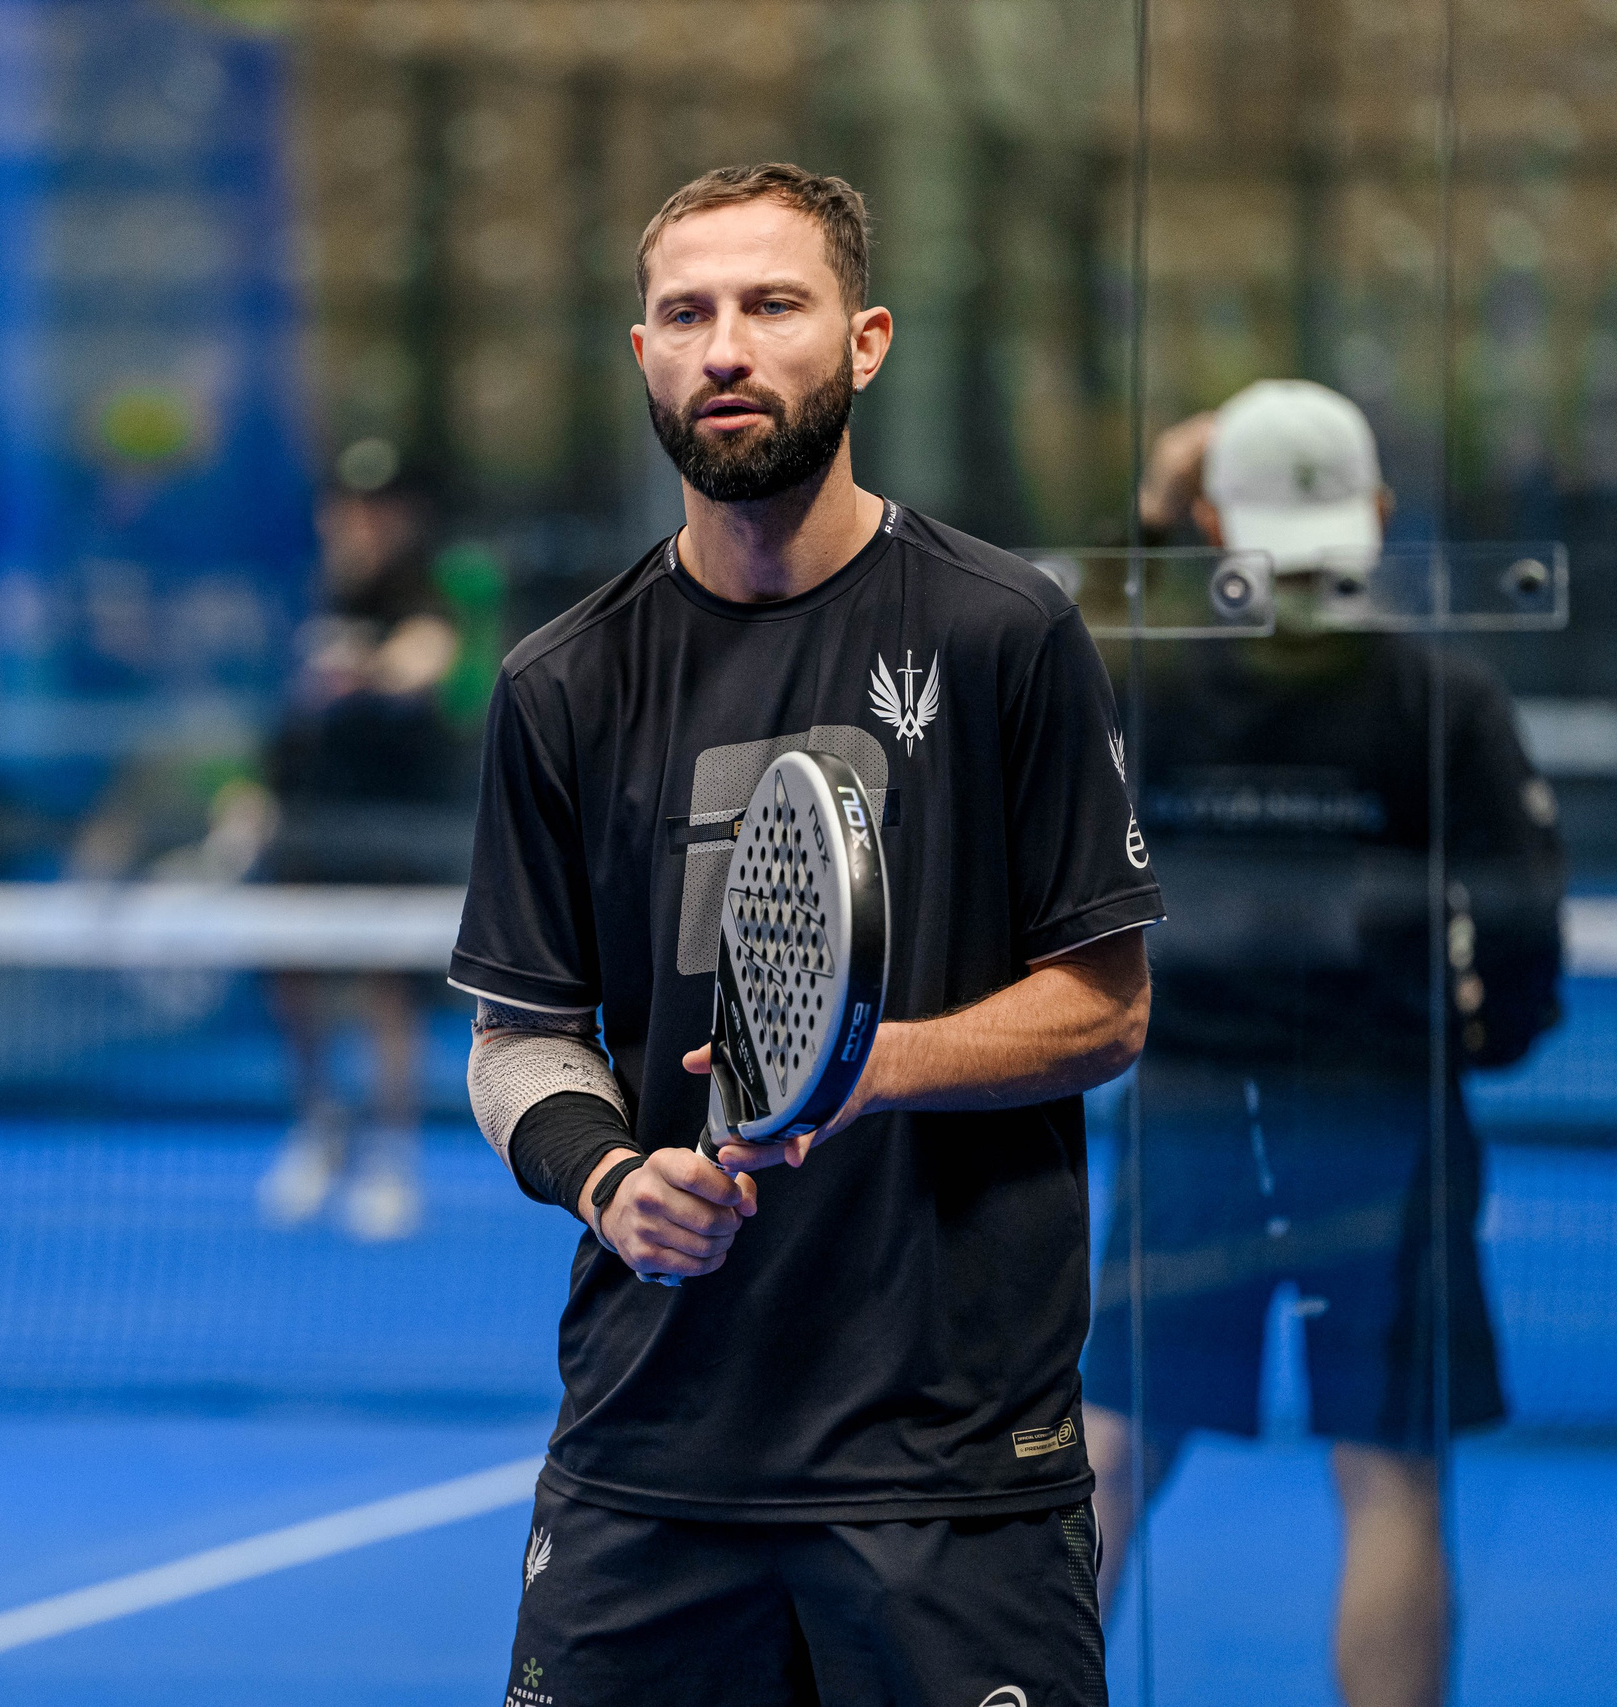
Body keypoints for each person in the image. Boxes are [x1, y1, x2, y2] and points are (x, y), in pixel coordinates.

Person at [456, 163, 1161, 1707]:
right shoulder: (559, 683)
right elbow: (517, 1041)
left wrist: (864, 1065)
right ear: (640, 354)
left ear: (865, 342)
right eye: (686, 313)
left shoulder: (1003, 633)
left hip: (954, 1469)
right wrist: (613, 1178)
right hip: (645, 1460)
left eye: (774, 305)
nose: (727, 346)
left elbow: (1108, 1009)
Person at [1084, 381, 1565, 1707]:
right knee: (1389, 1469)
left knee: (1109, 1450)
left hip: (1192, 1112)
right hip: (1383, 1116)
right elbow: (1525, 928)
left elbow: (1054, 666)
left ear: (1212, 512)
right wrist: (1489, 1035)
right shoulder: (1444, 696)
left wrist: (1157, 517)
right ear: (1382, 517)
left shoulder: (1147, 679)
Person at [255, 452, 473, 1242]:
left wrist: (368, 671)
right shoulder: (310, 597)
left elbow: (426, 664)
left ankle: (390, 1155)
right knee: (295, 984)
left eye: (378, 509)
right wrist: (257, 797)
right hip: (309, 823)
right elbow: (287, 722)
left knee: (386, 994)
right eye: (347, 508)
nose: (360, 523)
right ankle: (321, 1128)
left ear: (404, 519)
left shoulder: (425, 600)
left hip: (391, 826)